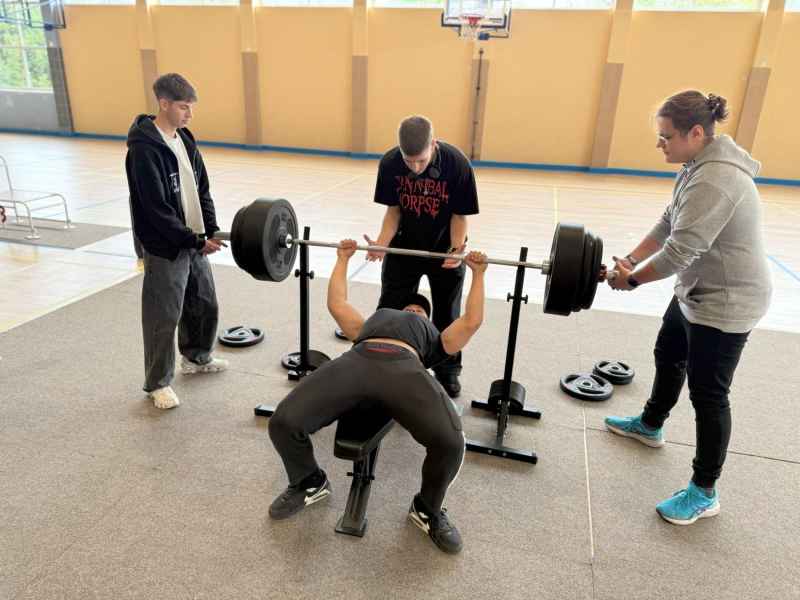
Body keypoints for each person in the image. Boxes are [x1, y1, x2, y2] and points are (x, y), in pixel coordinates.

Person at [605, 91, 772, 525]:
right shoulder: (695, 165)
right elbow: (669, 221)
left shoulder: (716, 179)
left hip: (728, 301)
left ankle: (704, 492)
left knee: (709, 395)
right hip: (696, 290)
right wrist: (630, 259)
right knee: (669, 353)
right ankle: (650, 425)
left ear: (695, 133)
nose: (659, 144)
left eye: (666, 137)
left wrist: (632, 280)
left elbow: (680, 251)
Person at [267, 239, 488, 554]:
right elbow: (337, 303)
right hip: (358, 360)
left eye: (420, 311)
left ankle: (427, 509)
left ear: (428, 322)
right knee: (283, 421)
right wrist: (343, 258)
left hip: (405, 370)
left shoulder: (436, 340)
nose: (413, 310)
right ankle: (308, 482)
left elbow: (471, 321)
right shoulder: (368, 325)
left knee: (451, 442)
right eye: (408, 308)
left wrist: (478, 275)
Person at [125, 73, 228, 410]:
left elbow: (202, 188)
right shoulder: (143, 149)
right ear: (164, 103)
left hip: (194, 238)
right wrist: (192, 240)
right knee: (163, 316)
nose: (190, 114)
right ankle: (157, 383)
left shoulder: (184, 138)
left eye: (191, 107)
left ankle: (197, 357)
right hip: (166, 245)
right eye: (184, 107)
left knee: (204, 302)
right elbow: (155, 208)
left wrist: (210, 230)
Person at [365, 115, 479, 399]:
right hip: (405, 248)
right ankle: (380, 364)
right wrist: (382, 244)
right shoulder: (390, 163)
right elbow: (393, 212)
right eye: (409, 161)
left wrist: (456, 250)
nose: (415, 168)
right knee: (390, 308)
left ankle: (447, 370)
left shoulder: (457, 164)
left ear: (434, 145)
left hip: (445, 250)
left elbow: (459, 216)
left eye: (421, 161)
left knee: (447, 313)